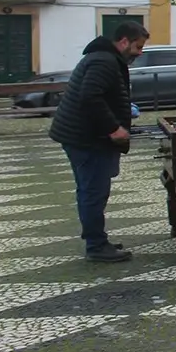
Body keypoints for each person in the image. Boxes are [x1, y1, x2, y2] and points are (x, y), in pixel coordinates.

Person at [48, 21, 149, 263]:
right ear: (124, 41)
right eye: (138, 46)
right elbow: (90, 96)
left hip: (81, 135)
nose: (139, 52)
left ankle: (97, 239)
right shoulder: (104, 61)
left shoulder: (104, 58)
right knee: (93, 191)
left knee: (91, 190)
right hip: (86, 139)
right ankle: (96, 245)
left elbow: (101, 95)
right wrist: (114, 128)